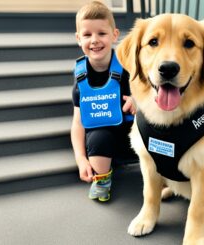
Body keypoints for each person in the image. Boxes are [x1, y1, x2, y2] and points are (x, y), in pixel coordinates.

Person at [71, 1, 136, 202]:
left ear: (115, 35)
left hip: (131, 135)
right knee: (98, 137)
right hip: (102, 142)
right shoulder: (81, 78)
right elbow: (78, 122)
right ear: (78, 38)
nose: (95, 40)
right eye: (87, 35)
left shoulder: (128, 67)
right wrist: (80, 159)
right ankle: (102, 180)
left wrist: (137, 101)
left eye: (102, 33)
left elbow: (150, 95)